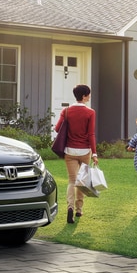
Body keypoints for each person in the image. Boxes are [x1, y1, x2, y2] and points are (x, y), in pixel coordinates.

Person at [53, 84, 98, 224]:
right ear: (84, 96)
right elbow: (91, 134)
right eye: (88, 94)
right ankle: (79, 210)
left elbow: (56, 129)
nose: (89, 97)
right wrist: (95, 153)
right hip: (85, 151)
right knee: (82, 181)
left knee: (72, 181)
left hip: (69, 151)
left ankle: (70, 208)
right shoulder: (90, 112)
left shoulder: (66, 111)